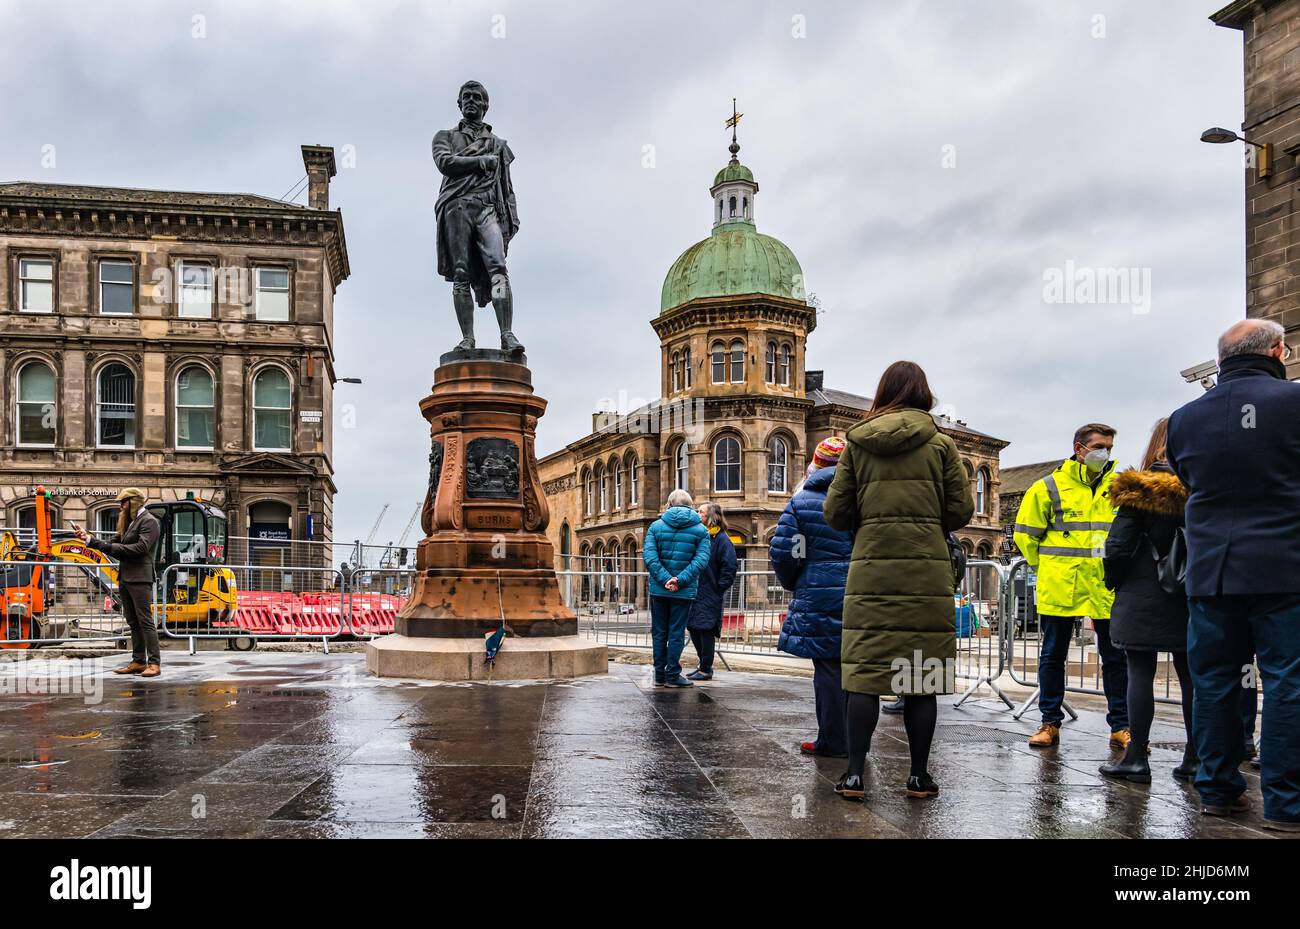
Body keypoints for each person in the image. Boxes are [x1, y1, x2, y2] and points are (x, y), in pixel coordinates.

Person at [1166, 318, 1300, 830]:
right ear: (1278, 351)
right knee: (1287, 682)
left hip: (1212, 572)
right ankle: (1288, 804)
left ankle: (1218, 790)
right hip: (1284, 568)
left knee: (1214, 683)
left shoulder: (1183, 419)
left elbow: (1186, 477)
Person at [824, 361, 974, 800]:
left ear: (883, 393)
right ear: (924, 394)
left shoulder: (856, 444)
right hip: (926, 570)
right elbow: (961, 511)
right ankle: (918, 776)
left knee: (864, 677)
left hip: (871, 569)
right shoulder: (942, 445)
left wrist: (867, 518)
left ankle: (854, 775)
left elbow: (835, 512)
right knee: (922, 677)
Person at [1013, 423, 1129, 750]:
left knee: (1115, 658)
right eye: (1098, 446)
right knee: (1052, 656)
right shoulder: (1048, 487)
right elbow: (1025, 534)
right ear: (1079, 448)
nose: (1104, 452)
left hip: (1104, 585)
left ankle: (1121, 725)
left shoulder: (1120, 486)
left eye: (1108, 446)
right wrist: (1045, 566)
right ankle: (1049, 722)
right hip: (1061, 584)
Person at [1099, 418, 1194, 784]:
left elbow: (1118, 545)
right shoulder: (1198, 488)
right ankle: (1194, 758)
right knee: (1191, 679)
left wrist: (1114, 581)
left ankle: (1136, 758)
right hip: (1189, 594)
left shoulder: (1137, 490)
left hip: (1141, 593)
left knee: (1139, 674)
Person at [771, 437, 853, 758]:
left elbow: (785, 553)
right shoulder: (867, 496)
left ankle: (833, 741)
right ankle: (856, 741)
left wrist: (798, 582)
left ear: (816, 463)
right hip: (863, 591)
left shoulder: (802, 500)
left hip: (819, 594)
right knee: (858, 669)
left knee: (829, 670)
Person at [77, 488, 161, 677]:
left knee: (145, 621)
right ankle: (139, 661)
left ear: (134, 501)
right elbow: (112, 543)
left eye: (123, 502)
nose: (121, 506)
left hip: (140, 578)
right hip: (126, 577)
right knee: (132, 621)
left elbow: (141, 548)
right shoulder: (130, 523)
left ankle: (154, 663)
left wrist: (111, 546)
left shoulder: (149, 521)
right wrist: (89, 539)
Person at [643, 489, 713, 688]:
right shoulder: (701, 531)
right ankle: (673, 675)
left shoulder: (655, 527)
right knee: (676, 633)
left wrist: (666, 579)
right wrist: (679, 581)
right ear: (690, 505)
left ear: (669, 504)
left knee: (659, 632)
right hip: (683, 591)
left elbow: (650, 558)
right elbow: (701, 561)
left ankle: (659, 675)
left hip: (659, 589)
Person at [685, 502, 737, 681]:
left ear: (711, 517)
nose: (697, 513)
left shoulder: (722, 539)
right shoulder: (702, 536)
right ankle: (702, 665)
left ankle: (706, 669)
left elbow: (729, 566)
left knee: (705, 629)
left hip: (710, 592)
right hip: (696, 590)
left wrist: (719, 587)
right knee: (692, 627)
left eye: (700, 511)